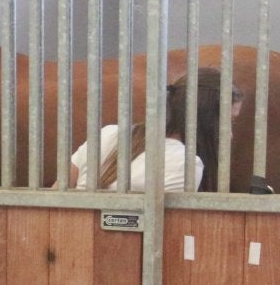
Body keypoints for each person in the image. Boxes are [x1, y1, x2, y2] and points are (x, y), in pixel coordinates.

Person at [70, 67, 245, 193]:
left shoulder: (107, 134)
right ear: (207, 118)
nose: (229, 135)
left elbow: (57, 192)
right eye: (227, 122)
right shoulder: (186, 164)